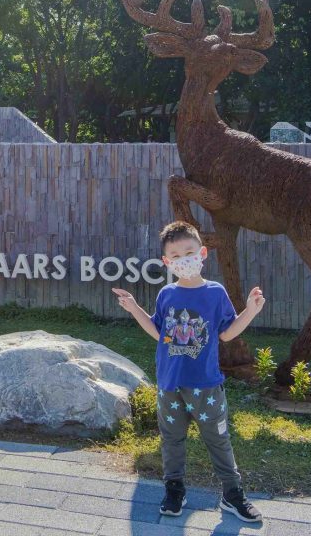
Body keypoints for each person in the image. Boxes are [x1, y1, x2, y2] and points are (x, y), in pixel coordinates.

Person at [112, 220, 265, 522]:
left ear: (203, 252)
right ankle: (174, 490)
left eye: (189, 252)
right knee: (172, 441)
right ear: (167, 262)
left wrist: (250, 310)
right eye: (176, 256)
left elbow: (227, 333)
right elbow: (159, 333)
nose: (184, 260)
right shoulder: (167, 294)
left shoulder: (215, 292)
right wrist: (134, 309)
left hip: (206, 385)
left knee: (218, 439)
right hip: (170, 384)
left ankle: (233, 494)